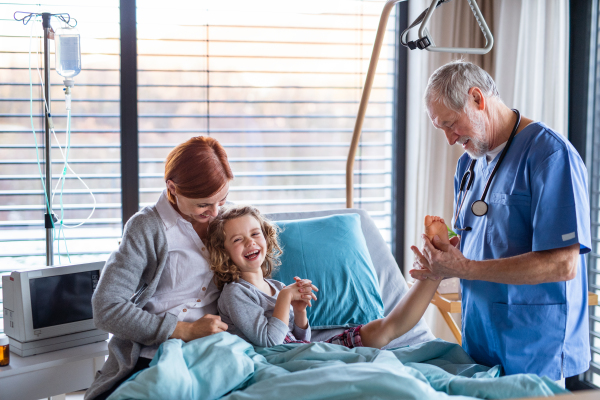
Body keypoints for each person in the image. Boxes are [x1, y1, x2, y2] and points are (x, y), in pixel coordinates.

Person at [410, 61, 591, 382]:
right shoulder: (468, 164)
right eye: (442, 129)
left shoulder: (550, 155)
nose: (450, 139)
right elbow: (485, 235)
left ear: (477, 99)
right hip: (480, 341)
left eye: (451, 124)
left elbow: (563, 265)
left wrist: (463, 268)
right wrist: (443, 256)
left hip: (534, 348)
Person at [85, 136, 234, 400]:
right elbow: (106, 307)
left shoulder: (228, 221)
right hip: (154, 350)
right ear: (172, 188)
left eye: (221, 200)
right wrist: (183, 330)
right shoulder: (146, 227)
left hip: (217, 347)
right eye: (203, 204)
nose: (214, 212)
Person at [206, 204, 445, 349]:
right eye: (237, 240)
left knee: (382, 330)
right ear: (223, 252)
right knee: (383, 333)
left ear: (265, 239)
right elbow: (270, 343)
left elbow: (300, 337)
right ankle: (434, 269)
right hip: (285, 359)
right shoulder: (235, 293)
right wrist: (285, 299)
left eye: (255, 233)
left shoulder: (275, 285)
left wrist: (300, 312)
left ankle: (434, 267)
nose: (249, 242)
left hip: (306, 349)